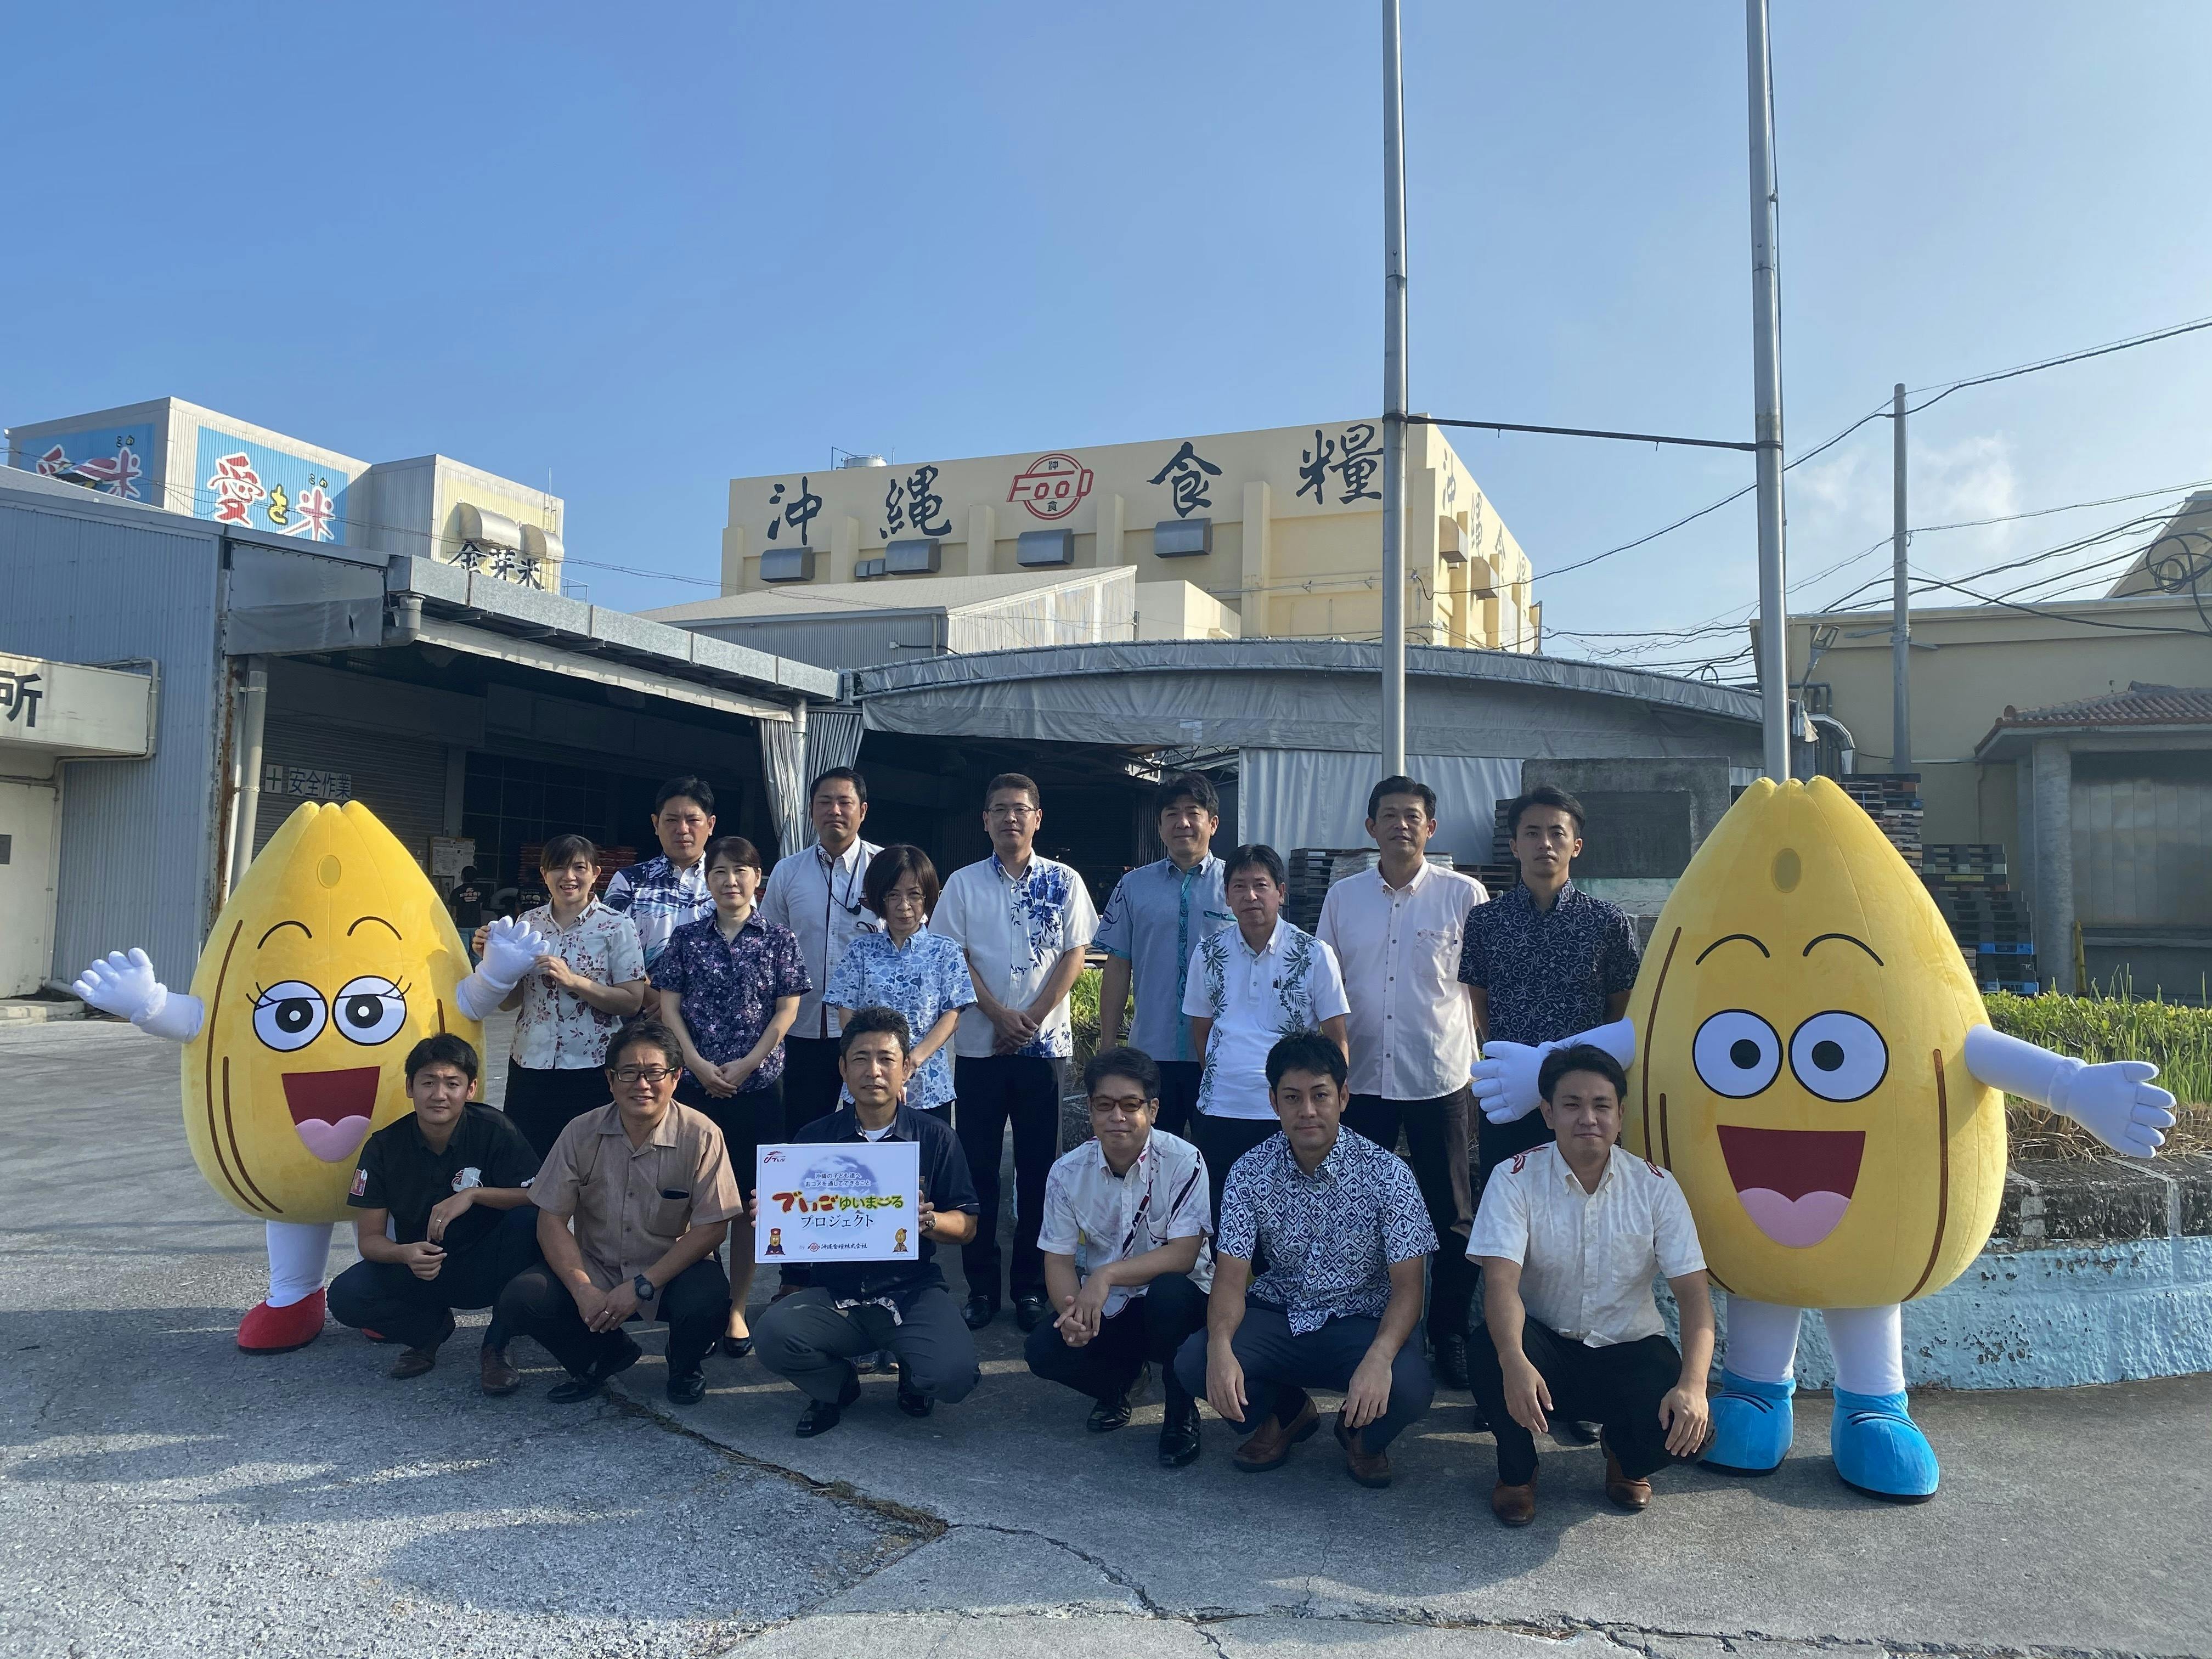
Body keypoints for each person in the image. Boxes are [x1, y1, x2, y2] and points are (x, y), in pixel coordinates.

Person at [1465, 1043, 1714, 1526]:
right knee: (1489, 1350)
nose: (1588, 1118)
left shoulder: (1656, 1186)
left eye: (1602, 1105)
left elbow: (1694, 1296)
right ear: (1548, 1113)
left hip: (1629, 1350)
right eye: (1572, 1105)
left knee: (1692, 1434)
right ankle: (1517, 1474)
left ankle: (1625, 1457)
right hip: (1547, 1351)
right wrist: (1514, 1359)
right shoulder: (1513, 1180)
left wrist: (1695, 1386)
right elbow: (1501, 1283)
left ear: (1621, 1115)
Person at [1173, 1032, 1435, 1488]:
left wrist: (1379, 1358)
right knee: (1195, 1362)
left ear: (1344, 1097)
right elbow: (1231, 1279)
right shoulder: (1248, 1171)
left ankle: (1361, 1435)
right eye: (1292, 1098)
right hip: (1280, 1316)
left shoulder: (1388, 1173)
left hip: (1359, 1320)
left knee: (1411, 1385)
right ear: (1274, 1101)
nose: (1307, 1111)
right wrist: (1219, 1347)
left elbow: (1409, 1288)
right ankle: (1288, 1413)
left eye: (1320, 1096)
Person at [1317, 775, 1488, 1390]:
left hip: (1439, 1077)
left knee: (1453, 1215)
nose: (1401, 825)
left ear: (1431, 827)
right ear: (1370, 828)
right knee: (1357, 1209)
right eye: (1389, 815)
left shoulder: (1464, 895)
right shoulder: (1343, 897)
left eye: (1413, 816)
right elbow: (1326, 987)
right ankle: (1358, 1323)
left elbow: (1481, 988)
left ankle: (1448, 1333)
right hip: (1360, 1081)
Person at [751, 1007, 983, 1436]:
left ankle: (916, 1375)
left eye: (886, 1059)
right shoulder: (813, 1138)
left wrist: (927, 1221)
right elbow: (794, 1228)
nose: (872, 1071)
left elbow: (967, 1226)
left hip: (909, 1291)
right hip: (834, 1292)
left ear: (906, 1069)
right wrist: (774, 1217)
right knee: (772, 1335)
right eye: (860, 1058)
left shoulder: (934, 1137)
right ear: (842, 1068)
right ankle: (835, 1387)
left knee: (953, 1374)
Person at [492, 1019, 743, 1406]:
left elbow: (713, 1229)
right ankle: (601, 1355)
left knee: (708, 1297)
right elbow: (551, 1220)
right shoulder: (580, 1131)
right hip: (599, 1263)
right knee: (523, 1297)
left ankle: (685, 1365)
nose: (641, 1084)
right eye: (628, 1073)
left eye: (654, 1073)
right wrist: (582, 1289)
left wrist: (644, 1285)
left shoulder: (703, 1134)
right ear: (610, 1079)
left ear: (675, 1078)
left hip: (670, 1269)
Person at [932, 772, 1098, 1334]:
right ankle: (981, 1288)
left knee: (1040, 1173)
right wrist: (1001, 1016)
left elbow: (1075, 954)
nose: (1010, 818)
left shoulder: (1065, 880)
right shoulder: (961, 884)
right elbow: (952, 957)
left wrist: (1029, 1020)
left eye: (1020, 809)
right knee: (978, 1173)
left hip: (1044, 1051)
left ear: (1038, 817)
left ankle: (1031, 1288)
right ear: (984, 820)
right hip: (979, 1049)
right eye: (999, 809)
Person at [651, 834, 809, 1359]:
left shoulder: (779, 940)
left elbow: (786, 1011)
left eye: (741, 871)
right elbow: (668, 1006)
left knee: (745, 1207)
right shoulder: (687, 938)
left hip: (757, 1089)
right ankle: (697, 1303)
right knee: (692, 1204)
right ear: (708, 880)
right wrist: (694, 1062)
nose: (730, 880)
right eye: (720, 872)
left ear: (757, 878)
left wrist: (746, 1064)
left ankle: (737, 1309)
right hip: (694, 1089)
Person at [1026, 1047, 1212, 1468]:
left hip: (1179, 1302)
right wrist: (1071, 1314)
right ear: (1090, 1108)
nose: (1118, 1117)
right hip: (1110, 1306)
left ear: (1154, 1109)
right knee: (1044, 1349)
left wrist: (1105, 1275)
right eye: (1104, 1105)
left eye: (1131, 1105)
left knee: (1168, 1294)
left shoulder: (1185, 1161)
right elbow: (1056, 1258)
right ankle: (1120, 1385)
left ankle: (1181, 1410)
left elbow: (1184, 1256)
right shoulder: (1068, 1172)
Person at [328, 1034, 543, 1394]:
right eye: (428, 1082)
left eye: (452, 1083)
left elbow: (539, 1194)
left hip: (490, 1264)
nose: (439, 1094)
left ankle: (497, 1346)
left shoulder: (495, 1131)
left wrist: (475, 1195)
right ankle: (429, 1332)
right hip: (424, 1266)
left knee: (531, 1221)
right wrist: (404, 1254)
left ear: (471, 1089)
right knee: (346, 1296)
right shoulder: (384, 1147)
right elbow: (370, 1240)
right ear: (410, 1087)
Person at [1459, 785, 1641, 1179]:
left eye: (1557, 833)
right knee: (1509, 1198)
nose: (1545, 843)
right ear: (1513, 845)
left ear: (1576, 845)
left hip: (1583, 1096)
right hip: (1509, 1091)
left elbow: (1621, 1006)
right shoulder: (1486, 921)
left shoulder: (1608, 922)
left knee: (1586, 1194)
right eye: (1532, 832)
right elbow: (1481, 1002)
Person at [1183, 843, 1350, 1220]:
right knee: (1224, 1214)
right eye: (1239, 886)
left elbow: (1336, 1036)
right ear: (1227, 896)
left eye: (1261, 885)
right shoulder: (1208, 953)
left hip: (1289, 1113)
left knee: (1290, 1216)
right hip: (1221, 1107)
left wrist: (1333, 1102)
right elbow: (1202, 1030)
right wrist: (1219, 1076)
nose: (1251, 896)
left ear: (1281, 892)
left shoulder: (1314, 953)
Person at [472, 834, 646, 1159]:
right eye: (558, 868)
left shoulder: (617, 926)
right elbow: (511, 1002)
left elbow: (632, 1001)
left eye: (579, 868)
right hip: (531, 1064)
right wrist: (492, 961)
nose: (569, 877)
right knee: (528, 1164)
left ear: (596, 873)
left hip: (592, 1067)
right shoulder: (528, 924)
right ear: (544, 874)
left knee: (592, 1166)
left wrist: (574, 981)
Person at [1096, 772, 1231, 1142]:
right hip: (1151, 1053)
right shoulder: (1134, 886)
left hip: (1222, 1053)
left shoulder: (1237, 886)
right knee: (1152, 1159)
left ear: (1213, 823)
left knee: (1219, 1158)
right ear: (1159, 826)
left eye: (1193, 812)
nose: (1182, 823)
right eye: (1172, 814)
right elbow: (1118, 964)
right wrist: (1109, 1045)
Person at [761, 766, 883, 1128]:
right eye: (825, 802)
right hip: (801, 1028)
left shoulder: (886, 867)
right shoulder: (788, 871)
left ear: (862, 810)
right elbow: (769, 945)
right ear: (811, 811)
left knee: (866, 1131)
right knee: (802, 1127)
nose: (835, 810)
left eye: (844, 802)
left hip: (868, 1029)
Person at [825, 843, 975, 1127]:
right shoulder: (860, 950)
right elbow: (846, 1014)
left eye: (914, 895)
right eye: (892, 895)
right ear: (878, 899)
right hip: (870, 1081)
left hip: (929, 1086)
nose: (904, 906)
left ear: (928, 897)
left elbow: (952, 1017)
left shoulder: (946, 951)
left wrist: (911, 1063)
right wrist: (878, 1063)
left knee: (926, 1168)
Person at [604, 776, 719, 999]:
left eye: (693, 820)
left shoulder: (730, 885)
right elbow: (609, 948)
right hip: (642, 1017)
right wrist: (655, 1000)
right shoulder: (628, 882)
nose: (682, 829)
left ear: (711, 825)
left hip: (709, 1017)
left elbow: (745, 952)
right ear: (656, 824)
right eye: (672, 820)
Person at [447, 865, 489, 945]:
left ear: (462, 877)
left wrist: (451, 926)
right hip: (476, 925)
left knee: (463, 953)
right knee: (476, 953)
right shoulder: (481, 890)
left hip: (462, 926)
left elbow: (454, 913)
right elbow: (480, 909)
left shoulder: (456, 892)